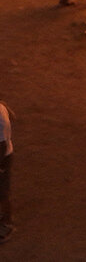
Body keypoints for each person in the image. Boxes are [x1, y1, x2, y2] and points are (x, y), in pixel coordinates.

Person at [0, 98, 11, 244]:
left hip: (3, 157)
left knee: (2, 193)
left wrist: (0, 166)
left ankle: (7, 224)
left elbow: (1, 145)